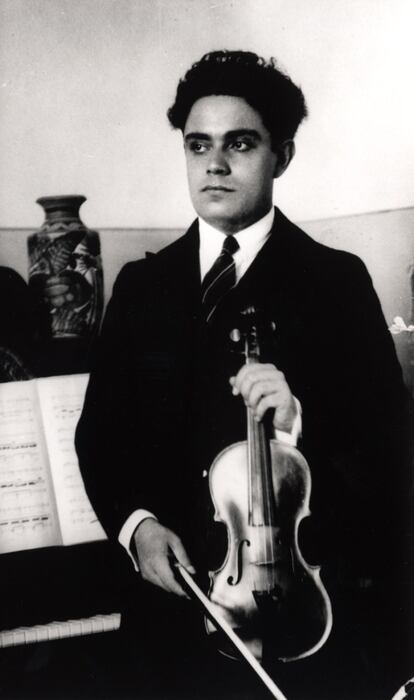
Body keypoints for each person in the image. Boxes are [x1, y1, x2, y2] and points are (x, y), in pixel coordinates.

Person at [75, 51, 413, 700]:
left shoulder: (337, 283)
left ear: (281, 156)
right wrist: (136, 526)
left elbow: (393, 455)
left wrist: (298, 424)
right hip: (169, 626)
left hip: (300, 620)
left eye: (241, 144)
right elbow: (100, 438)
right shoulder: (142, 287)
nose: (215, 165)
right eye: (198, 145)